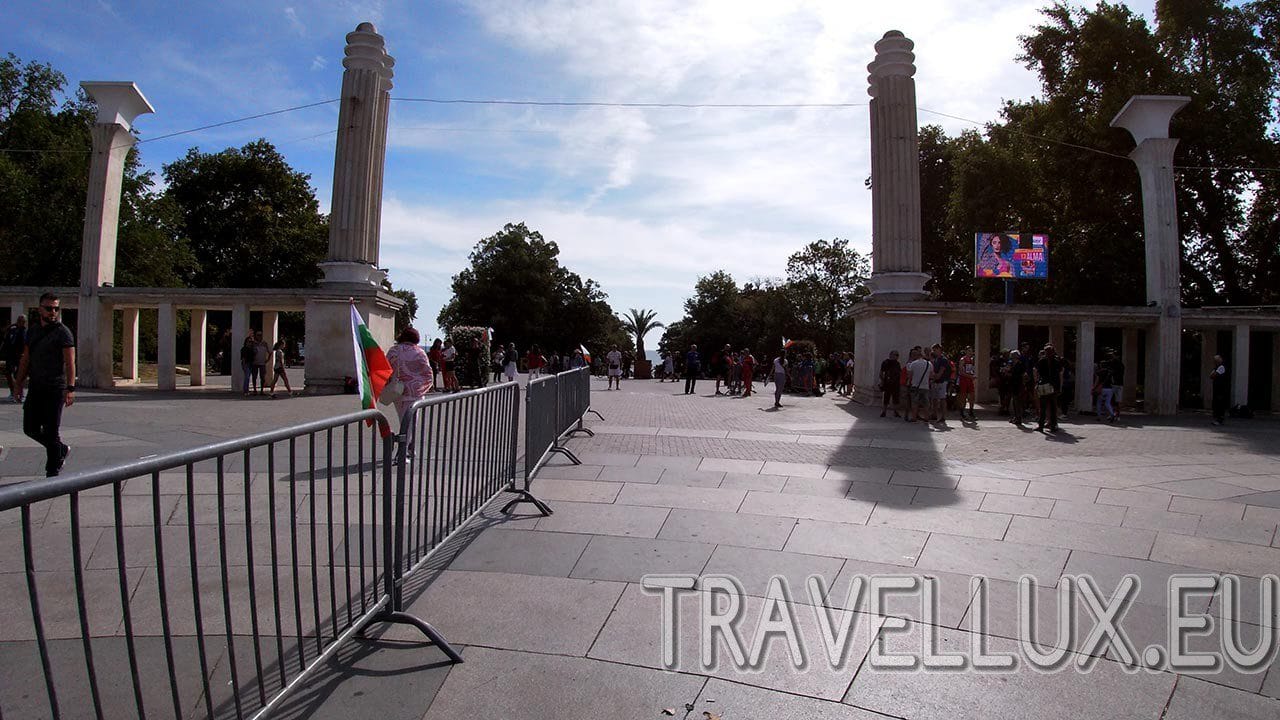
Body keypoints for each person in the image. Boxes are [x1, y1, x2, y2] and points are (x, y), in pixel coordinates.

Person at [14, 293, 76, 477]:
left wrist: (70, 388)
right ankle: (61, 450)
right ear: (40, 309)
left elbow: (70, 362)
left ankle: (52, 470)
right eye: (49, 308)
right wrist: (18, 384)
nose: (53, 312)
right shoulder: (33, 331)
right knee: (30, 428)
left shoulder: (63, 332)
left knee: (51, 430)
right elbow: (26, 359)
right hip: (36, 387)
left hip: (55, 388)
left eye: (56, 308)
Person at [386, 326, 435, 430]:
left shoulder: (394, 350)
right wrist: (425, 387)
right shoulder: (420, 352)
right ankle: (407, 444)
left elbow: (386, 368)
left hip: (397, 390)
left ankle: (405, 442)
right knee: (411, 423)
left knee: (402, 419)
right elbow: (428, 372)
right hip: (415, 391)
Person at [1034, 344, 1064, 432]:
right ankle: (1053, 425)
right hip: (1053, 386)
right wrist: (1059, 387)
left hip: (1044, 385)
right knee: (1053, 407)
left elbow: (1038, 372)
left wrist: (1037, 383)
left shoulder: (1042, 361)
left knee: (1043, 406)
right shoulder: (1056, 361)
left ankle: (1041, 426)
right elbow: (1060, 373)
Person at [2, 314, 27, 402]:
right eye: (19, 320)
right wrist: (11, 326)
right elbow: (6, 338)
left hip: (20, 356)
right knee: (9, 373)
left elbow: (26, 345)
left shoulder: (26, 332)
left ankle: (21, 394)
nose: (21, 322)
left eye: (23, 321)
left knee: (20, 375)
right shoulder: (13, 330)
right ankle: (12, 392)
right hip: (10, 356)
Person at [906, 347, 931, 423]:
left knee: (915, 403)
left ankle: (914, 417)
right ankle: (926, 417)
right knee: (925, 403)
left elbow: (910, 376)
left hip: (915, 386)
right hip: (925, 386)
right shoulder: (928, 364)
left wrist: (909, 382)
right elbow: (932, 375)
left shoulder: (913, 364)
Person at [929, 344, 952, 425]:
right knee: (934, 399)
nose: (933, 351)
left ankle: (943, 416)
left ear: (939, 349)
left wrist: (935, 377)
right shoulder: (936, 360)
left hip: (942, 382)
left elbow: (940, 373)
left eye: (935, 350)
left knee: (942, 399)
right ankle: (934, 414)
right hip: (936, 382)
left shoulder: (943, 360)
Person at [879, 350, 901, 418]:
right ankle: (884, 411)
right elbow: (881, 372)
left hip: (896, 383)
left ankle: (895, 411)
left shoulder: (897, 363)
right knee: (886, 397)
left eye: (897, 355)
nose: (897, 356)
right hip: (887, 383)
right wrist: (882, 381)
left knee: (896, 398)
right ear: (891, 355)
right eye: (895, 355)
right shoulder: (886, 362)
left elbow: (899, 373)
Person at [956, 346, 976, 420]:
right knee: (963, 396)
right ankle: (962, 412)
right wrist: (969, 376)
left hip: (969, 379)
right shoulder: (962, 360)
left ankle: (971, 411)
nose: (970, 352)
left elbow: (971, 369)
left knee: (972, 395)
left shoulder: (971, 359)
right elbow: (961, 372)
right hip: (964, 379)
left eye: (971, 351)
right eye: (969, 351)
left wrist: (972, 375)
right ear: (966, 351)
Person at [1209, 354, 1229, 425]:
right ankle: (1217, 418)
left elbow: (1214, 375)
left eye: (1217, 360)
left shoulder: (1221, 367)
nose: (1216, 362)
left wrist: (1214, 372)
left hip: (1221, 389)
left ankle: (1220, 419)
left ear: (1220, 359)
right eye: (1215, 361)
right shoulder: (1216, 367)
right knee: (1216, 404)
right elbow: (1211, 376)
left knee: (1220, 404)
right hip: (1217, 388)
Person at [1107, 350, 1126, 419]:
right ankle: (1118, 415)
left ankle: (1112, 413)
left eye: (1113, 355)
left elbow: (1110, 372)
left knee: (1111, 399)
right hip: (1120, 384)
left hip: (1114, 383)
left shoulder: (1113, 363)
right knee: (1118, 400)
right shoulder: (1121, 364)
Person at [251, 331, 269, 395]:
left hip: (262, 363)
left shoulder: (264, 343)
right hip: (255, 363)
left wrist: (268, 359)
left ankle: (261, 390)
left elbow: (270, 352)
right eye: (258, 335)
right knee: (254, 377)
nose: (259, 336)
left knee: (262, 377)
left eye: (260, 335)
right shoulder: (253, 344)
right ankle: (255, 390)